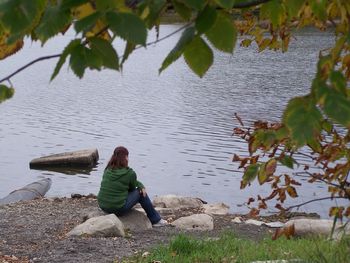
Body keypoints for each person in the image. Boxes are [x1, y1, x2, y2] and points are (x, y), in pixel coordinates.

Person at [97, 146, 168, 227]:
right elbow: (132, 188)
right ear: (125, 158)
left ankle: (108, 205)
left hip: (103, 206)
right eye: (127, 156)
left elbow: (129, 183)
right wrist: (141, 187)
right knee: (140, 193)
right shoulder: (129, 173)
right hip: (118, 209)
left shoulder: (108, 169)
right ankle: (155, 220)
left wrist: (139, 184)